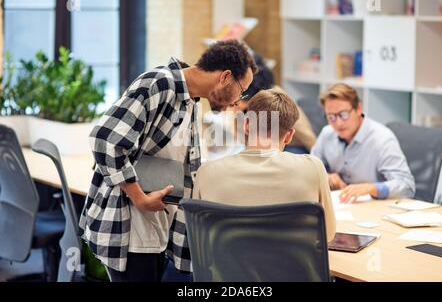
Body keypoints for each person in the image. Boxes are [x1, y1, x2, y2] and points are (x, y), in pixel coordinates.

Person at [79, 39, 257, 282]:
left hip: (156, 225)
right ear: (225, 77)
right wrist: (139, 198)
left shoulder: (191, 101)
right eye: (242, 90)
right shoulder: (159, 84)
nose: (239, 101)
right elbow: (105, 139)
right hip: (131, 227)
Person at [193, 89, 336, 242]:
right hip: (290, 265)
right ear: (289, 136)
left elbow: (197, 235)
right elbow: (327, 233)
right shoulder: (313, 168)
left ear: (246, 125)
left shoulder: (207, 172)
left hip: (225, 265)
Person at [311, 83, 415, 203]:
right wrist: (326, 176)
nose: (338, 123)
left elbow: (407, 186)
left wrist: (372, 188)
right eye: (331, 117)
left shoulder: (382, 139)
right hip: (342, 204)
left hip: (375, 208)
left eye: (343, 115)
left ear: (359, 109)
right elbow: (310, 168)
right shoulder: (327, 133)